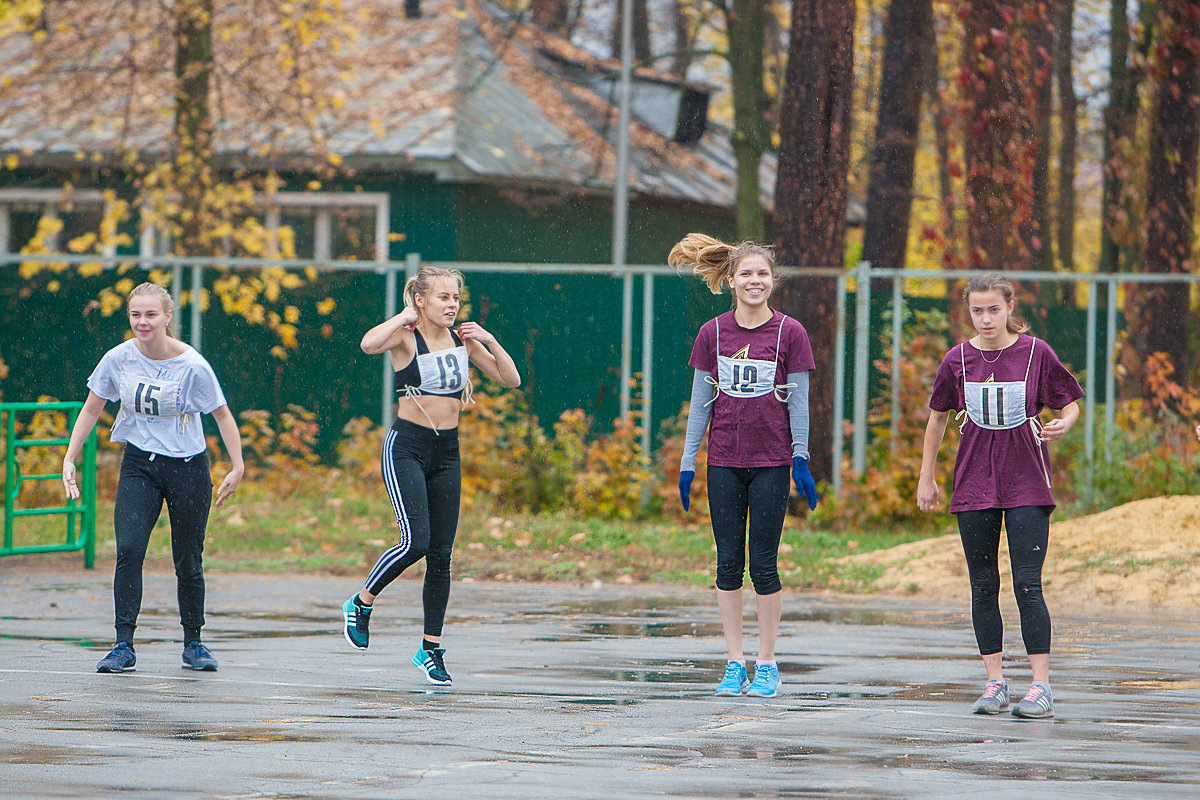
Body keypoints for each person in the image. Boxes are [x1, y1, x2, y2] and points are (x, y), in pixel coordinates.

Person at [342, 266, 520, 686]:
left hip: (447, 452)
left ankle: (430, 648)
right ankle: (361, 603)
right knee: (416, 542)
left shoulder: (463, 341)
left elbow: (510, 379)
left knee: (441, 555)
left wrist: (489, 341)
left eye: (456, 298)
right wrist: (402, 317)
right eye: (443, 297)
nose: (452, 305)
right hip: (407, 448)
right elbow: (368, 345)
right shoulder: (405, 336)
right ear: (421, 300)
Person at [917, 272, 1083, 719]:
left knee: (1027, 582)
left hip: (1027, 479)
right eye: (977, 310)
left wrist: (1066, 422)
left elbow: (1070, 402)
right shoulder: (957, 360)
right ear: (967, 311)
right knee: (983, 584)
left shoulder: (1035, 353)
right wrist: (926, 476)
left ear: (1010, 308)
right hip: (974, 482)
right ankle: (995, 682)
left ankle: (1041, 687)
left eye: (994, 309)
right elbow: (936, 420)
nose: (986, 318)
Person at [62, 282, 244, 673]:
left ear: (166, 317)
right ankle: (123, 645)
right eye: (135, 315)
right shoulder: (118, 359)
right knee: (128, 550)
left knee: (187, 558)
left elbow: (222, 414)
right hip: (139, 465)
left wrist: (238, 465)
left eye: (150, 315)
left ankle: (194, 642)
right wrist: (70, 455)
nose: (142, 322)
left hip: (188, 467)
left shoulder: (192, 365)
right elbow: (92, 409)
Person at [670, 233, 818, 699]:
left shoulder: (789, 332)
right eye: (746, 273)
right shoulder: (712, 333)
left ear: (773, 281)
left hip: (772, 462)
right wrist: (688, 461)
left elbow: (800, 401)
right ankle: (735, 661)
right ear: (731, 280)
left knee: (765, 565)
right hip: (725, 463)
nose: (755, 281)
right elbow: (699, 403)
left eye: (763, 274)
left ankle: (767, 662)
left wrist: (801, 457)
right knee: (728, 564)